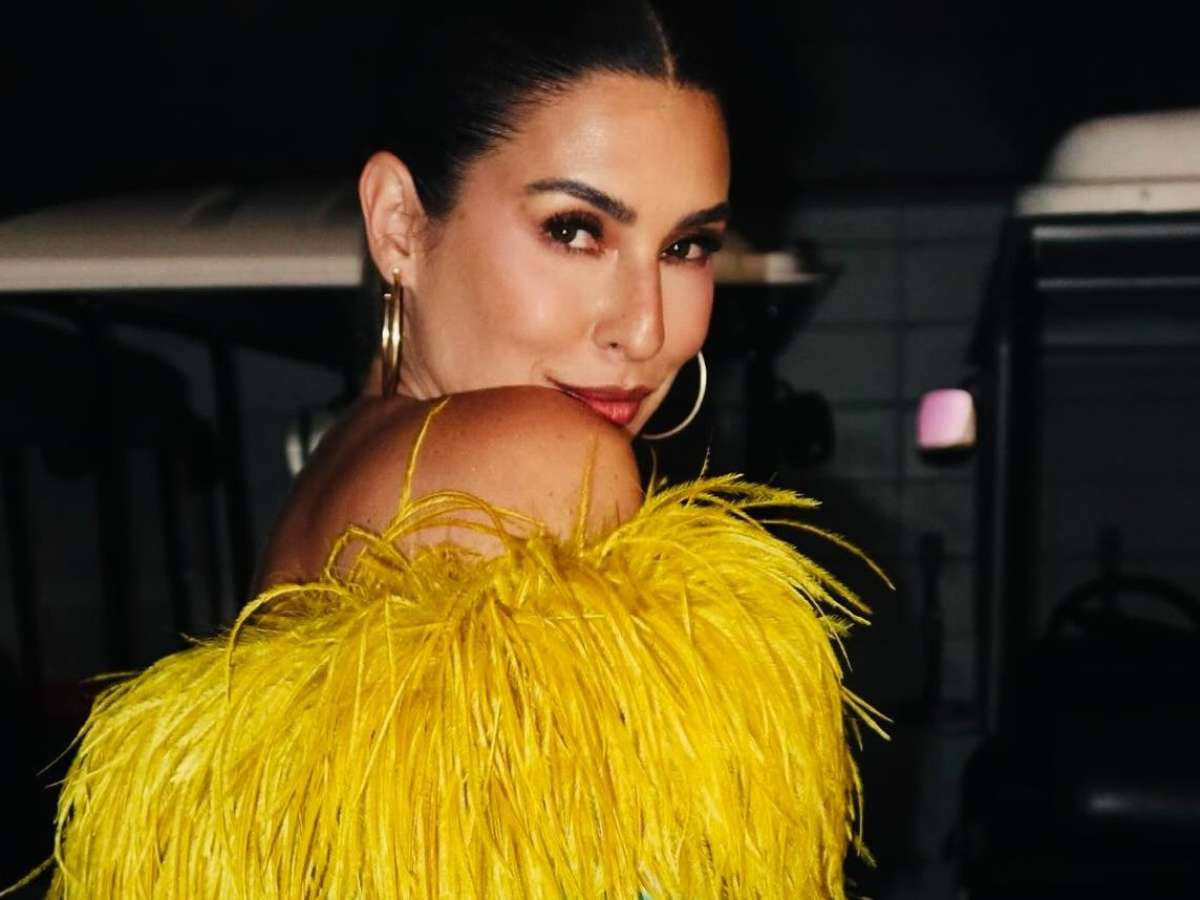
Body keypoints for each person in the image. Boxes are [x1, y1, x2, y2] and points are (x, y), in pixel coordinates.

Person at [18, 5, 884, 898]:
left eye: (685, 247)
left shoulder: (344, 469)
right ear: (398, 223)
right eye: (575, 230)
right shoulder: (538, 460)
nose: (645, 328)